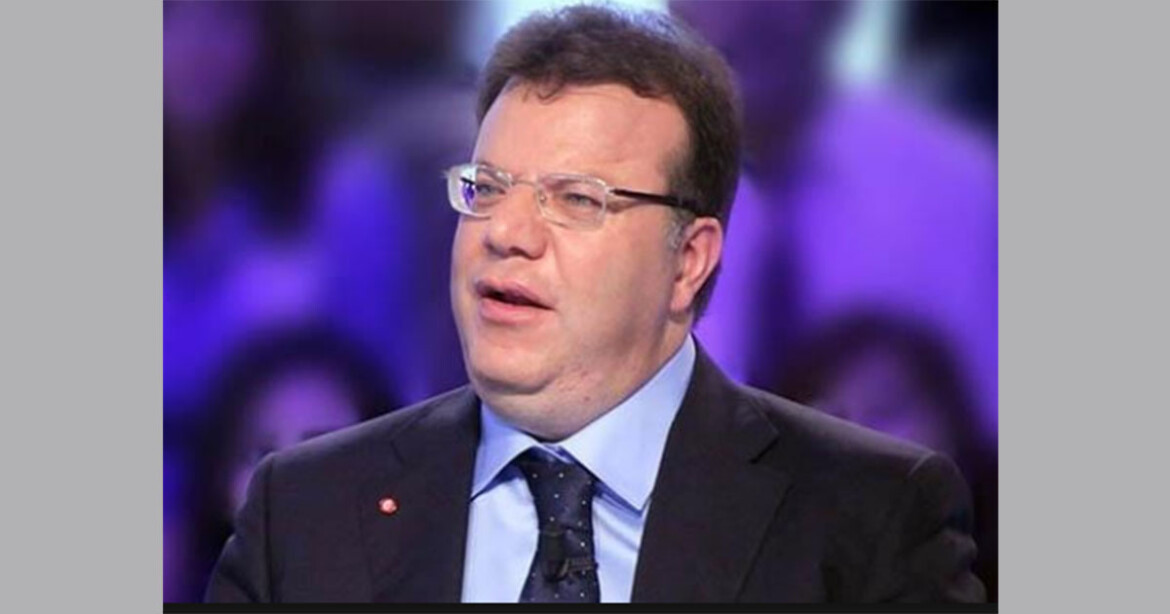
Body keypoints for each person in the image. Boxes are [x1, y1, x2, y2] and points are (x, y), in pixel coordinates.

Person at [205, 5, 985, 604]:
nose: (505, 233)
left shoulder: (871, 520)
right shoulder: (304, 512)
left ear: (689, 261)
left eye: (576, 199)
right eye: (486, 188)